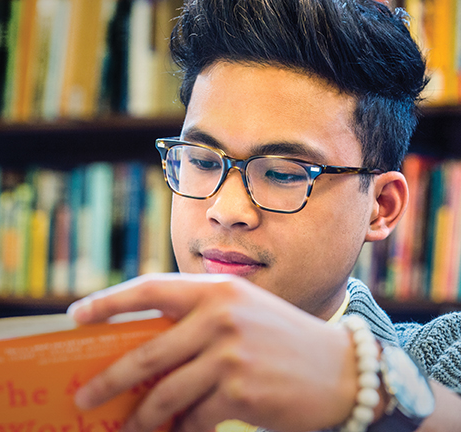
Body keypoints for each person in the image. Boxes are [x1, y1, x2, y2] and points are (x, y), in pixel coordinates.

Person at [68, 0, 461, 431]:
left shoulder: (439, 359)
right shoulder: (90, 377)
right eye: (201, 161)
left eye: (281, 173)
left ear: (380, 207)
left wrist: (358, 386)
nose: (227, 210)